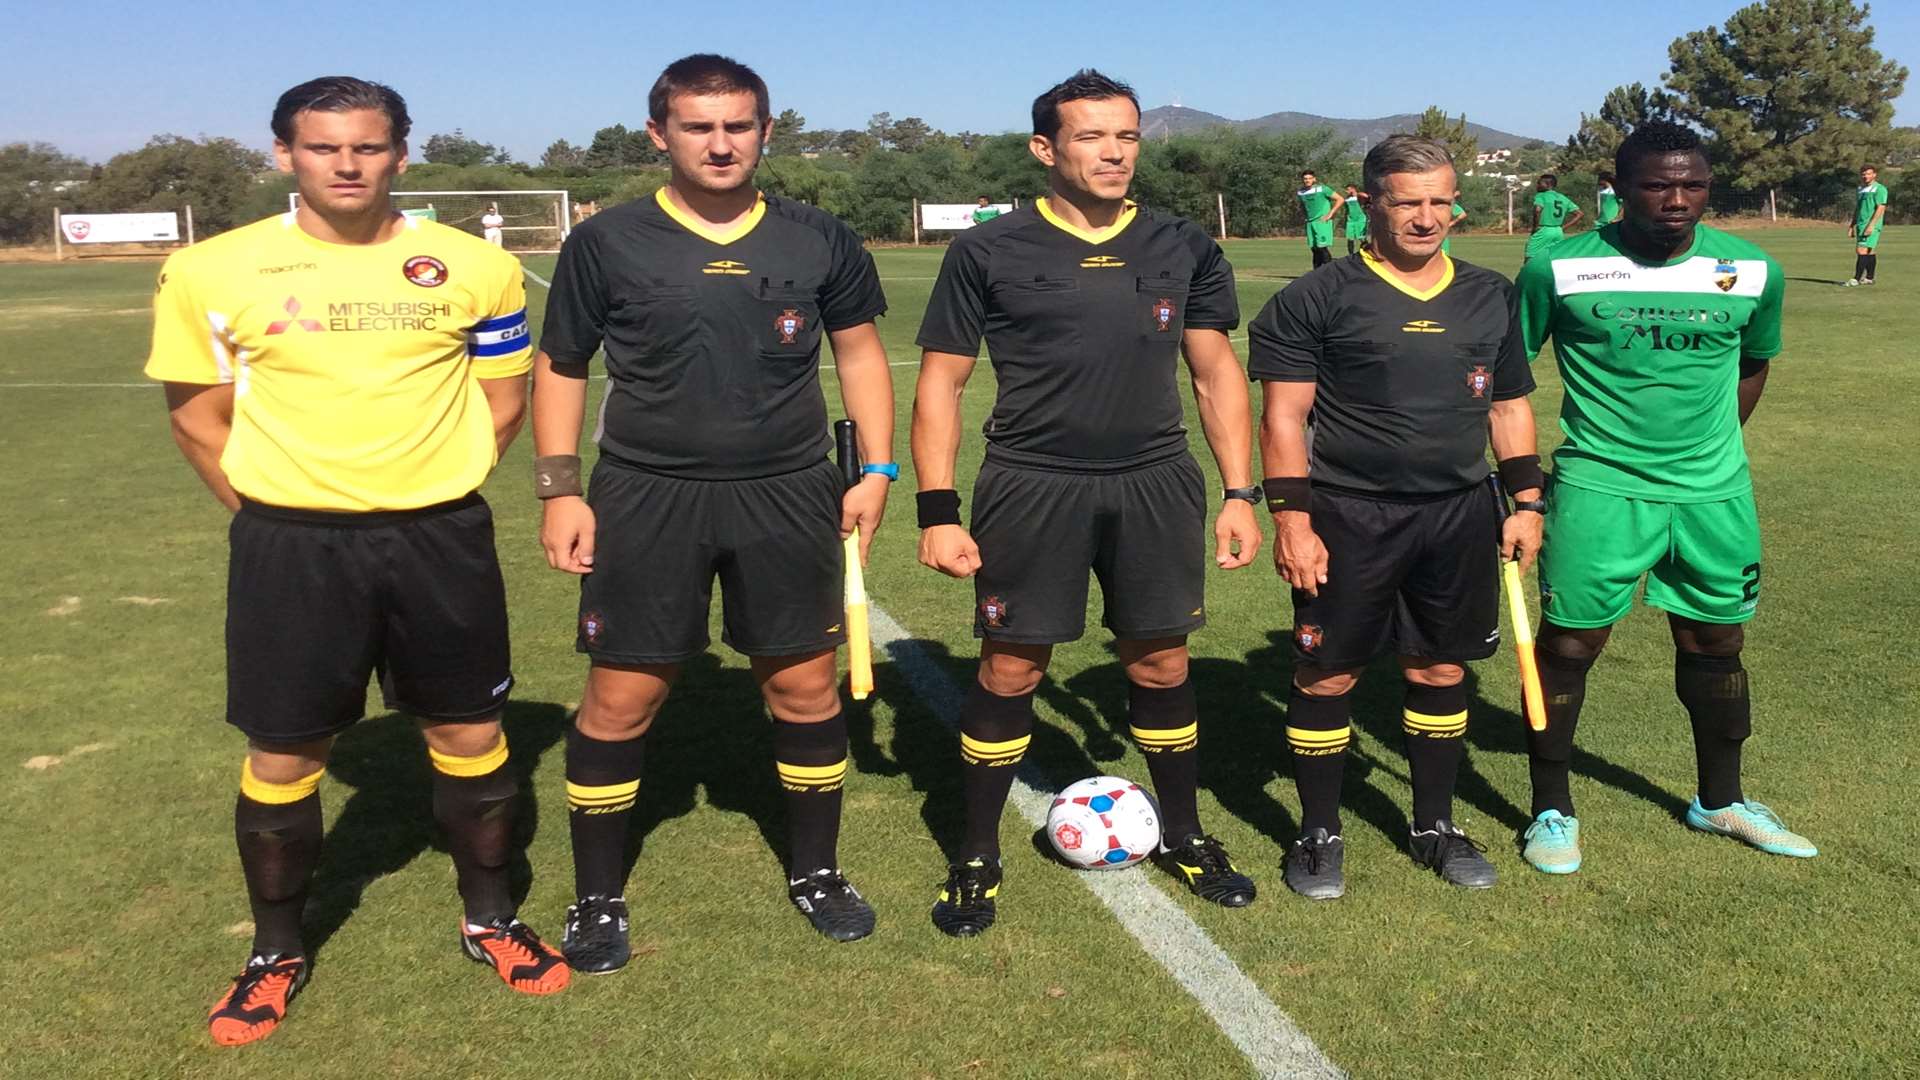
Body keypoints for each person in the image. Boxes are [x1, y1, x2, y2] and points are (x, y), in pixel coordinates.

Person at [148, 75, 567, 1047]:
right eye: (324, 146)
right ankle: (274, 952)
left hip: (439, 536)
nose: (347, 163)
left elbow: (504, 402)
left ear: (402, 156)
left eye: (369, 147)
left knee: (471, 734)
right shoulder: (210, 271)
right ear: (284, 155)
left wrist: (426, 483)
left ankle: (491, 919)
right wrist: (279, 515)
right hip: (291, 546)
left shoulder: (474, 268)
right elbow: (197, 419)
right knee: (286, 751)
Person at [533, 54, 895, 967]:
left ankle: (817, 872)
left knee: (804, 686)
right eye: (698, 126)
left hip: (787, 490)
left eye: (738, 125)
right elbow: (563, 365)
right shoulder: (607, 241)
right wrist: (560, 487)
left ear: (767, 131)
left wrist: (879, 468)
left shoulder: (819, 237)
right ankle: (597, 897)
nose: (720, 142)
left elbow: (858, 353)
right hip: (647, 492)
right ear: (660, 135)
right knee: (622, 697)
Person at [913, 68, 1263, 937]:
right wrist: (936, 509)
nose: (1114, 153)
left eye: (1127, 137)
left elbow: (1216, 373)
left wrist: (1242, 493)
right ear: (1046, 149)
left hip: (1154, 482)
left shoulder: (1182, 243)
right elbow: (941, 384)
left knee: (1161, 663)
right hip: (1031, 485)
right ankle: (977, 853)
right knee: (1011, 667)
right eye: (1091, 137)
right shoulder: (988, 251)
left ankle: (1182, 833)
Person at [1513, 120, 1815, 874]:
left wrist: (1706, 453)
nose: (1677, 200)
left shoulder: (1752, 270)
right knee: (1572, 644)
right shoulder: (1560, 266)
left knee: (1717, 640)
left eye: (1693, 185)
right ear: (1619, 190)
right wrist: (1514, 478)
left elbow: (1752, 363)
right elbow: (1511, 372)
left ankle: (1721, 802)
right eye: (1657, 184)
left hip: (1713, 493)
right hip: (1599, 486)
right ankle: (1551, 809)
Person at [1249, 135, 1543, 899]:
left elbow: (1508, 405)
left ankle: (1434, 826)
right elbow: (1283, 419)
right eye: (1408, 201)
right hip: (1347, 515)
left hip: (1457, 515)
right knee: (1327, 672)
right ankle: (1318, 832)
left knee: (1439, 668)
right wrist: (1291, 520)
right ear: (1369, 202)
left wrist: (1528, 503)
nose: (1426, 217)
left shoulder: (1490, 293)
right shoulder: (1316, 296)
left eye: (1440, 201)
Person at [1525, 173, 1582, 262]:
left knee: (1530, 258)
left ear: (1547, 185)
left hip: (1543, 230)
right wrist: (1563, 228)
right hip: (1558, 232)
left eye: (1539, 183)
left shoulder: (1541, 195)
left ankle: (1527, 275)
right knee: (1555, 259)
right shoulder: (1562, 197)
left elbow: (1537, 209)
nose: (1537, 185)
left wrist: (1535, 227)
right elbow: (1579, 214)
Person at [1848, 165, 1888, 286]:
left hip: (1871, 225)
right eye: (1864, 174)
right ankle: (1869, 278)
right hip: (1861, 224)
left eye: (1869, 174)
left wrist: (1871, 225)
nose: (1866, 176)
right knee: (1870, 251)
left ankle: (1856, 279)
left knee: (1861, 250)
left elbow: (1881, 207)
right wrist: (1852, 225)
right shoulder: (1860, 189)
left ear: (1874, 174)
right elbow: (1858, 208)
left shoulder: (1880, 189)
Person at [1298, 170, 1339, 267]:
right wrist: (1305, 216)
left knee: (1322, 248)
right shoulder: (1301, 192)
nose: (1307, 180)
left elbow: (1340, 199)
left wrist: (1330, 213)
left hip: (1322, 222)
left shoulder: (1323, 189)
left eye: (1309, 178)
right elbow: (1303, 206)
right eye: (1305, 179)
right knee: (1314, 249)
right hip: (1310, 223)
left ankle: (1330, 272)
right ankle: (1316, 273)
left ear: (1314, 179)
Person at [1342, 183, 1369, 255]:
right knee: (1350, 239)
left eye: (1348, 189)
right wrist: (1345, 219)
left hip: (1360, 220)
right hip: (1350, 221)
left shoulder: (1359, 196)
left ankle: (1366, 252)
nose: (1346, 191)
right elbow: (1346, 210)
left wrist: (1356, 193)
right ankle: (1351, 254)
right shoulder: (1347, 199)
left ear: (1353, 189)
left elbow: (1366, 196)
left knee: (1361, 238)